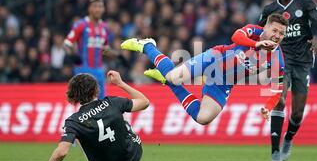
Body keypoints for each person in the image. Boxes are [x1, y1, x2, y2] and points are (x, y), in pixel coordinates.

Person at [121, 13, 287, 135]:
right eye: (275, 30)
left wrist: (268, 107)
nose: (277, 36)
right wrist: (256, 44)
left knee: (203, 118)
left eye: (281, 33)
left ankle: (168, 82)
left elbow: (278, 89)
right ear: (265, 27)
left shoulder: (277, 59)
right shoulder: (254, 31)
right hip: (214, 58)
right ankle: (147, 46)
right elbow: (236, 36)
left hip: (224, 81)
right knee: (173, 76)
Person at [259, 0, 317, 161]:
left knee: (298, 112)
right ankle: (275, 152)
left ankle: (288, 139)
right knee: (279, 100)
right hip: (280, 60)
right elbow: (257, 33)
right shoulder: (269, 9)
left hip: (303, 61)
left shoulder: (305, 3)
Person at [32, 71, 149, 161]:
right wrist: (120, 83)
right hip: (132, 158)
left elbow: (61, 152)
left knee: (80, 135)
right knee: (125, 123)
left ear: (73, 95)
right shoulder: (113, 102)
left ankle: (99, 159)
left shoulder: (73, 121)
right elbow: (144, 102)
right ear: (96, 90)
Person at [64, 0, 113, 99]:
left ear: (103, 9)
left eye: (100, 6)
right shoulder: (81, 25)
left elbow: (106, 49)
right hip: (83, 70)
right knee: (86, 103)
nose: (98, 9)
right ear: (89, 8)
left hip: (99, 71)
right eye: (95, 6)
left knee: (102, 103)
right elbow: (67, 44)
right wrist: (72, 56)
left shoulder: (104, 27)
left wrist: (117, 56)